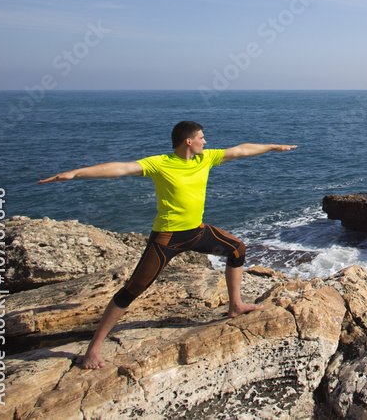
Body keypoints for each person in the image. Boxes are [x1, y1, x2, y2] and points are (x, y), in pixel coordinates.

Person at [38, 121, 296, 369]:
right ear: (189, 141)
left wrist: (273, 147)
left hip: (196, 232)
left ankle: (235, 305)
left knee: (237, 248)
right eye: (201, 138)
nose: (205, 142)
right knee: (131, 291)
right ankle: (93, 348)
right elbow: (121, 168)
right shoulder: (160, 164)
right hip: (166, 239)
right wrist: (75, 173)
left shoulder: (204, 159)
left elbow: (241, 150)